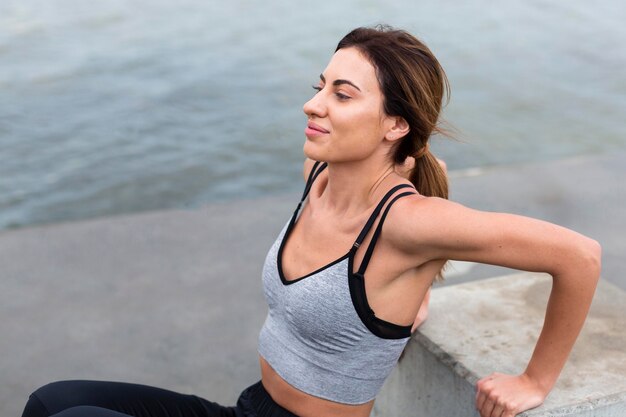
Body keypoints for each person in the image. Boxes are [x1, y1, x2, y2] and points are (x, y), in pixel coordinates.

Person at [21, 25, 601, 417]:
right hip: (251, 408)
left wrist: (532, 382)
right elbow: (430, 164)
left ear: (394, 124)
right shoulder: (316, 178)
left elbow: (578, 255)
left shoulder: (408, 224)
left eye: (342, 94)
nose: (314, 103)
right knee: (52, 402)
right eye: (319, 86)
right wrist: (408, 294)